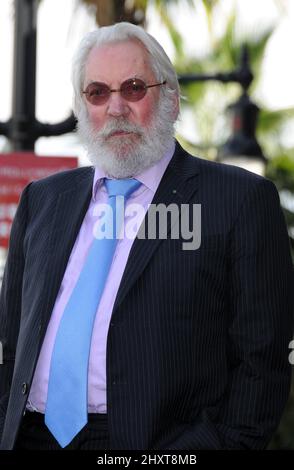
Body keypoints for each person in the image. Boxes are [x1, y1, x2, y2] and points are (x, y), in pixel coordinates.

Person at [0, 22, 293, 451]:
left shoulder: (240, 200)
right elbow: (10, 341)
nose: (115, 107)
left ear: (171, 100)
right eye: (97, 92)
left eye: (134, 88)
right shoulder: (43, 199)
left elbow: (262, 362)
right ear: (83, 108)